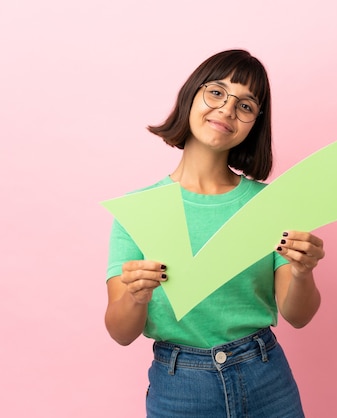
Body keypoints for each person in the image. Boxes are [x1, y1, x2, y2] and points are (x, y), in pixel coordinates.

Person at [105, 49, 325, 418]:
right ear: (192, 94)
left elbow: (298, 315)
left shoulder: (273, 205)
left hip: (266, 377)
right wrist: (136, 296)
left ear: (255, 123)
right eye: (217, 92)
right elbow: (120, 331)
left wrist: (303, 272)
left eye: (246, 106)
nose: (226, 110)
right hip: (179, 386)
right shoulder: (139, 211)